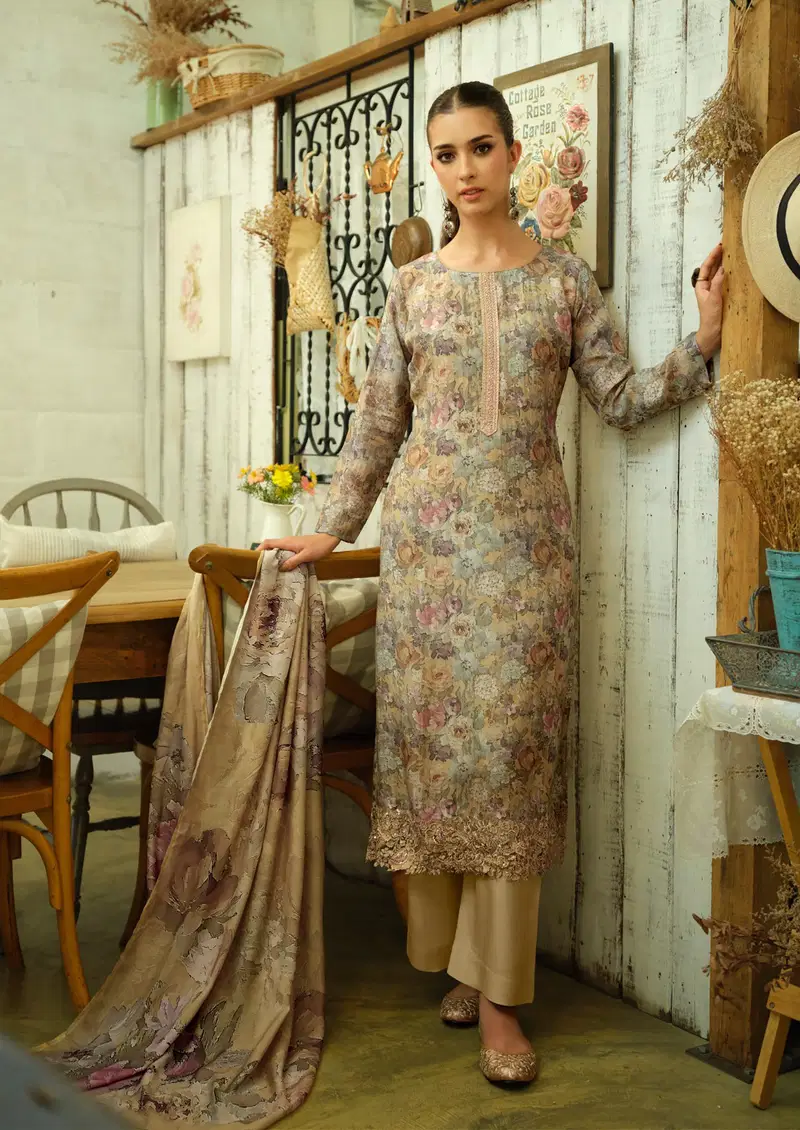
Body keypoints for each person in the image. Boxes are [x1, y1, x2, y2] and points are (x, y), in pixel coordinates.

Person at [260, 81, 724, 1086]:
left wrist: (702, 339)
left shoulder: (564, 284)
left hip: (524, 555)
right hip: (426, 552)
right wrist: (329, 528)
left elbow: (619, 398)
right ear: (433, 167)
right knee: (439, 756)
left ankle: (502, 998)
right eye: (445, 154)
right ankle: (461, 966)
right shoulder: (411, 289)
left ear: (514, 155)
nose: (463, 169)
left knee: (510, 754)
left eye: (480, 148)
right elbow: (376, 428)